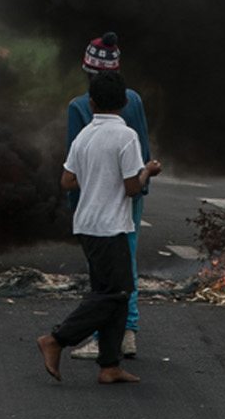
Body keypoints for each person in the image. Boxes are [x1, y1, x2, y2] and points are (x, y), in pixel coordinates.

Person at [38, 70, 162, 385]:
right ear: (124, 102)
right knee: (115, 292)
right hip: (110, 226)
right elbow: (132, 187)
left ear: (91, 103)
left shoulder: (84, 136)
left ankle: (109, 365)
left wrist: (94, 178)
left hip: (86, 223)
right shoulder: (126, 136)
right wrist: (148, 171)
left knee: (112, 292)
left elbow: (66, 180)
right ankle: (57, 339)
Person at [67, 32, 151, 362]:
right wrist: (141, 187)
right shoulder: (135, 101)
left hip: (96, 202)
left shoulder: (79, 106)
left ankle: (103, 338)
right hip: (131, 195)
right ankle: (127, 333)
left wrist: (74, 207)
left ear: (88, 73)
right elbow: (142, 148)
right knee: (126, 266)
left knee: (101, 275)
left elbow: (71, 170)